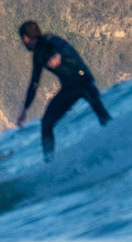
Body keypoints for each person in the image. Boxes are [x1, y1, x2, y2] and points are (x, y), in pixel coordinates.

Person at [17, 20, 110, 160]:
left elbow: (66, 48)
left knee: (101, 113)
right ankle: (49, 161)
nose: (23, 43)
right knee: (46, 123)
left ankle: (117, 140)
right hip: (69, 88)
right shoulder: (37, 55)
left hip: (83, 80)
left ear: (26, 38)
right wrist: (25, 109)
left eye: (23, 40)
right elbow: (34, 83)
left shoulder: (50, 39)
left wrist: (58, 55)